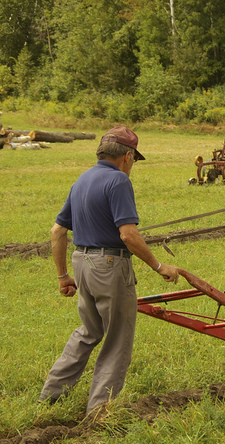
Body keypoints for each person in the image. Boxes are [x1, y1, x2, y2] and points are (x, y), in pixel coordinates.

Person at [39, 126, 179, 415]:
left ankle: (50, 396)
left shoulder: (82, 180)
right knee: (117, 338)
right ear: (127, 156)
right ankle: (100, 411)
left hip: (81, 263)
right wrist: (158, 265)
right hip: (110, 267)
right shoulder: (118, 182)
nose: (132, 167)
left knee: (89, 331)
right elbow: (128, 235)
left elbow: (56, 231)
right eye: (134, 161)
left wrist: (62, 275)